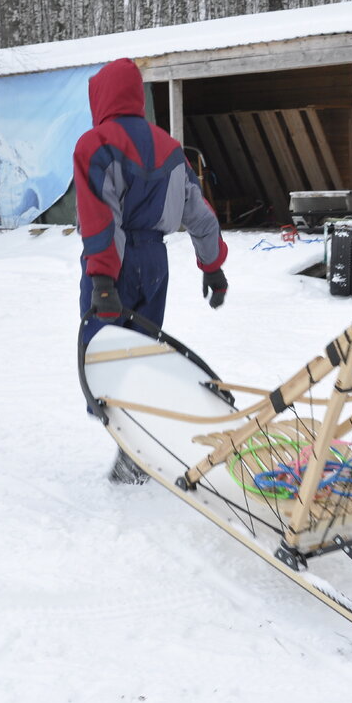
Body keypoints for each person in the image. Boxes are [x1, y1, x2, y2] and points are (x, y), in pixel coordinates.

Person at [74, 57, 229, 484]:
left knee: (103, 358)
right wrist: (212, 266)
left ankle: (132, 450)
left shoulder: (96, 144)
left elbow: (100, 217)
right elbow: (199, 213)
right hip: (155, 264)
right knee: (141, 351)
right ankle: (139, 447)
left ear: (102, 95)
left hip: (115, 261)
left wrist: (103, 279)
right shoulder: (170, 148)